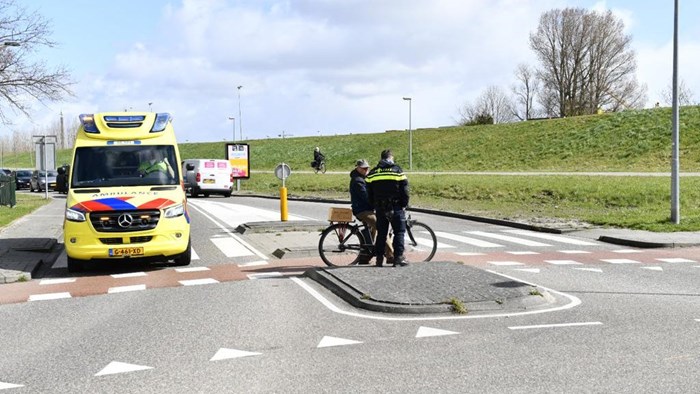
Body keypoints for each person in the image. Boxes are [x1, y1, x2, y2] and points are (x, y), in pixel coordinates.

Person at [366, 149, 409, 267]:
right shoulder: (397, 171)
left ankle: (379, 259)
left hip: (380, 208)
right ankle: (398, 258)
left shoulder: (373, 173)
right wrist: (404, 204)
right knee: (399, 232)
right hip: (395, 207)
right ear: (391, 158)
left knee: (382, 233)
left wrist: (373, 204)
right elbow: (404, 189)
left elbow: (368, 192)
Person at [349, 159, 393, 265]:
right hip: (362, 210)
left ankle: (365, 256)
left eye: (367, 168)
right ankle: (391, 255)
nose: (366, 170)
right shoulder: (358, 181)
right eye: (363, 168)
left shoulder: (362, 178)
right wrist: (379, 204)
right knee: (381, 227)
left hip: (365, 209)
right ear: (357, 168)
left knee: (374, 229)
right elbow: (366, 197)